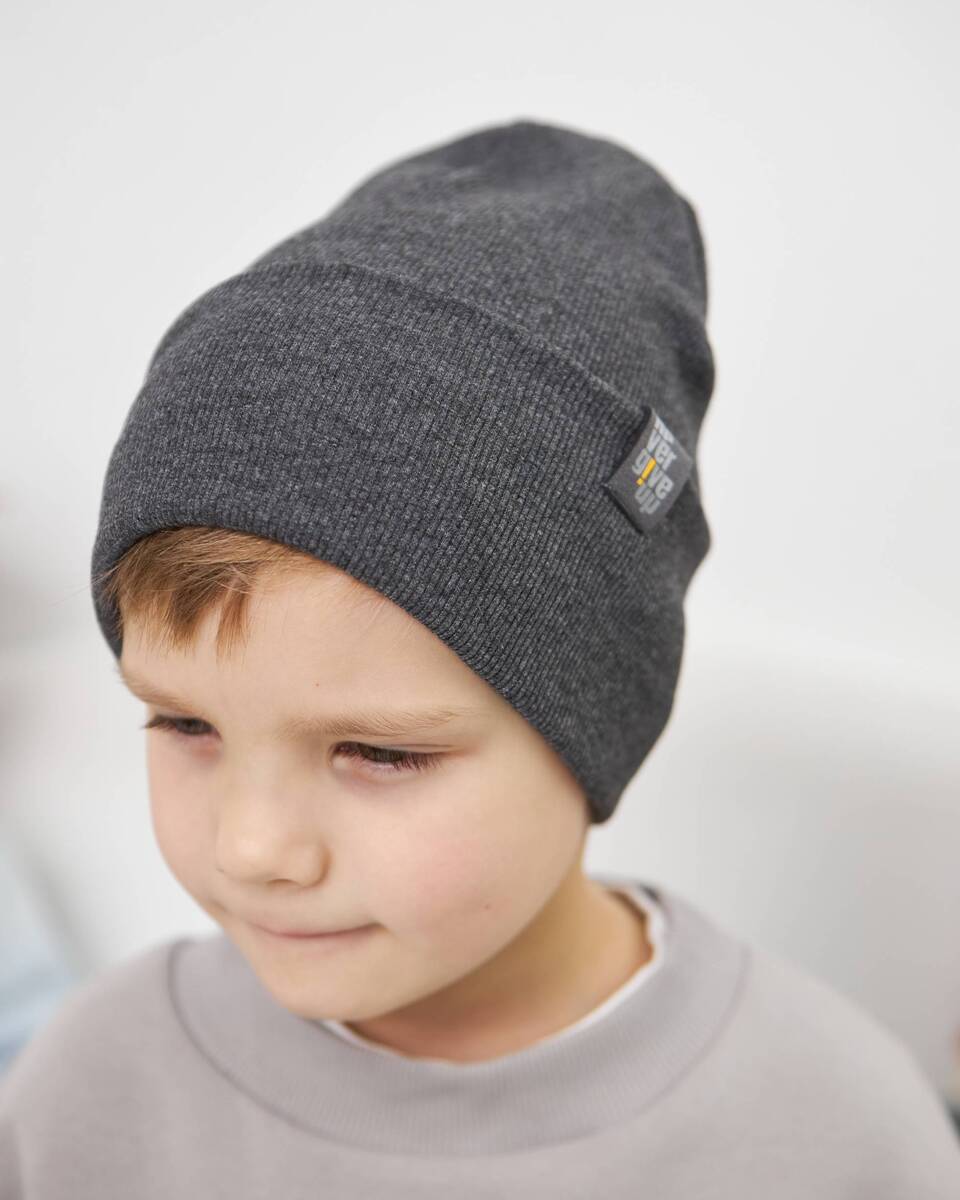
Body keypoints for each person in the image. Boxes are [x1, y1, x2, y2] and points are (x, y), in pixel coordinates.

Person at [2, 117, 958, 1196]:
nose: (253, 847)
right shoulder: (90, 1090)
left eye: (379, 752)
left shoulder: (838, 1134)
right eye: (186, 724)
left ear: (596, 721)